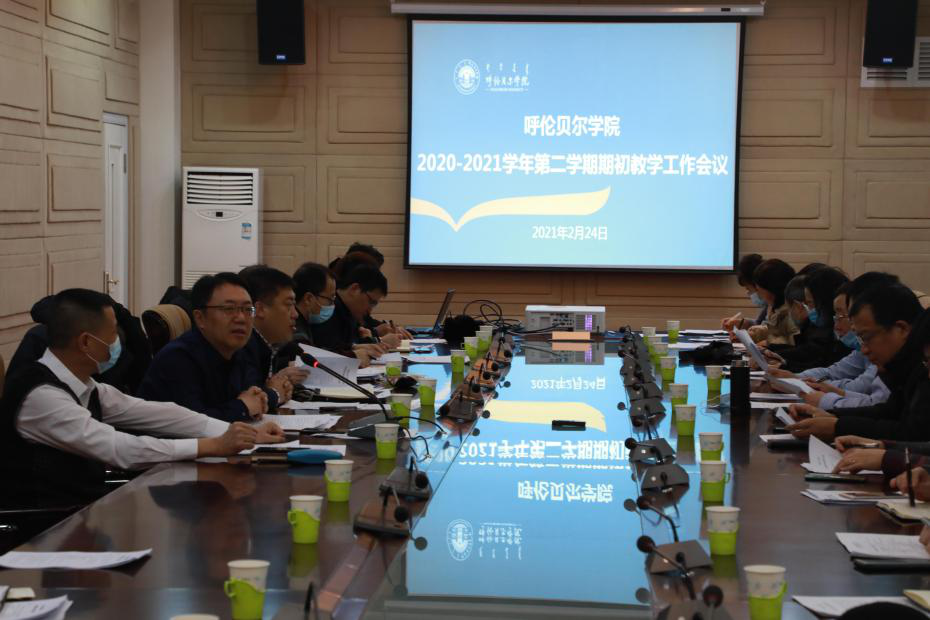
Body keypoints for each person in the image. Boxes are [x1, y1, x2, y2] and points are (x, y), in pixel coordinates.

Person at [0, 289, 284, 506]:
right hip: (40, 528)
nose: (118, 343)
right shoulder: (42, 396)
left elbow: (158, 413)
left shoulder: (85, 385)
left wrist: (240, 433)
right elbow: (119, 449)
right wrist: (210, 446)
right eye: (113, 335)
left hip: (82, 514)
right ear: (86, 342)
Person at [786, 286, 926, 441]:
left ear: (901, 329)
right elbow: (890, 411)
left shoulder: (923, 366)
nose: (864, 350)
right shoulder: (901, 366)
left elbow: (914, 433)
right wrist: (833, 417)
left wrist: (837, 426)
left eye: (867, 338)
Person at [138, 273, 279, 422]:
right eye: (229, 309)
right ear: (200, 318)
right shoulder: (177, 358)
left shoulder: (237, 352)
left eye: (247, 310)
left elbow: (253, 394)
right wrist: (243, 407)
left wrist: (260, 398)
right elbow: (192, 423)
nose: (241, 318)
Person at [238, 265, 309, 402]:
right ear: (260, 309)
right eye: (288, 305)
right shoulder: (242, 347)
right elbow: (250, 400)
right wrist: (274, 393)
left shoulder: (266, 345)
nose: (295, 314)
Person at [770, 267, 850, 372]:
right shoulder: (828, 327)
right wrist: (779, 360)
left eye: (810, 303)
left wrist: (781, 363)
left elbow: (826, 367)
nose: (808, 309)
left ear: (824, 302)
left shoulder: (846, 336)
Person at [310, 264, 399, 355]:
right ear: (354, 289)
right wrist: (378, 341)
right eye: (371, 302)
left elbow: (351, 344)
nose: (370, 310)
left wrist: (369, 340)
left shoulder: (349, 312)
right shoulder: (328, 311)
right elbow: (328, 351)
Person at [747, 259, 798, 345]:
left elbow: (793, 342)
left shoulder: (793, 312)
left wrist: (768, 343)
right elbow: (776, 331)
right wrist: (756, 334)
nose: (759, 294)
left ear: (772, 289)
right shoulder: (775, 306)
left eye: (760, 290)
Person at [293, 261, 337, 344]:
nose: (332, 305)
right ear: (308, 299)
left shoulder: (304, 323)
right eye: (330, 299)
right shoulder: (298, 336)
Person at [722, 253, 765, 331]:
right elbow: (762, 324)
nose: (748, 293)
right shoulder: (768, 307)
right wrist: (741, 323)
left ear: (758, 286)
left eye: (748, 289)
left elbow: (769, 330)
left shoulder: (778, 308)